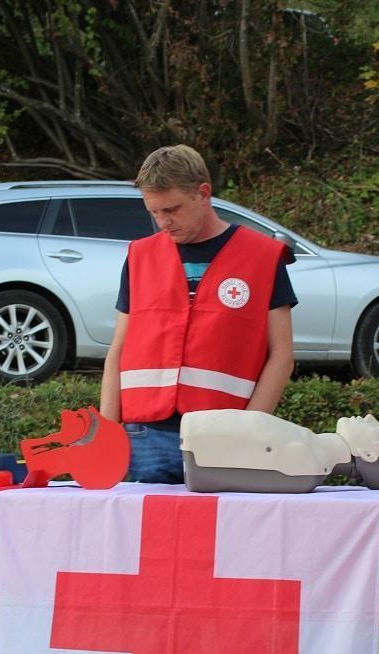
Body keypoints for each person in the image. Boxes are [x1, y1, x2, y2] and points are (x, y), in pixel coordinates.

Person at [99, 144, 298, 483]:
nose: (163, 222)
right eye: (154, 212)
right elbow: (117, 350)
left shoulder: (263, 257)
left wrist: (249, 430)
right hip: (144, 435)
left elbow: (282, 355)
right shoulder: (140, 256)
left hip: (226, 436)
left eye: (171, 209)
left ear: (203, 193)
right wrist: (107, 434)